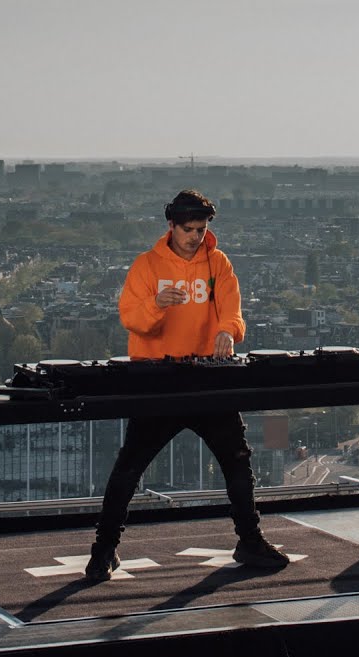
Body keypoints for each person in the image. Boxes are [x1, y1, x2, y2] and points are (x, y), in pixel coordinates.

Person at [85, 189, 290, 581]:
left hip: (208, 376)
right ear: (171, 227)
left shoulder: (219, 264)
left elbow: (234, 314)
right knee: (129, 468)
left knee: (237, 462)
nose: (196, 236)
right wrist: (158, 304)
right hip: (158, 380)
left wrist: (229, 332)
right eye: (189, 229)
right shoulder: (146, 266)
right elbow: (131, 319)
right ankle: (104, 550)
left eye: (202, 229)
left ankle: (250, 540)